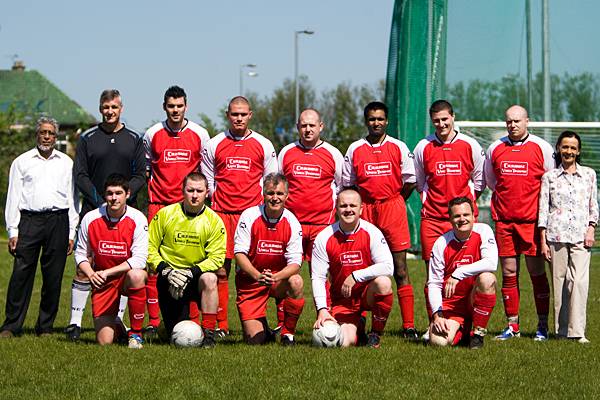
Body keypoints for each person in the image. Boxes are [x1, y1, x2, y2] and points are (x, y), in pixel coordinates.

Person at [66, 89, 146, 341]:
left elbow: (141, 175)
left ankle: (119, 319)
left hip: (124, 210)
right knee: (85, 266)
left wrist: (122, 198)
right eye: (105, 108)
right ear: (100, 109)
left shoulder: (134, 138)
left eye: (114, 107)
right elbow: (80, 174)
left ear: (121, 108)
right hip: (95, 208)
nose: (109, 111)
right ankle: (75, 323)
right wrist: (100, 200)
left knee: (122, 264)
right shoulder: (88, 137)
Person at [201, 96, 278, 336]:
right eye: (235, 114)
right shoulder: (214, 144)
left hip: (252, 216)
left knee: (253, 269)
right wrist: (219, 203)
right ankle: (221, 325)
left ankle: (262, 320)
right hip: (222, 214)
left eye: (243, 114)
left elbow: (270, 180)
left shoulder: (263, 144)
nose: (239, 118)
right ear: (227, 115)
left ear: (250, 115)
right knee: (221, 269)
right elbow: (208, 179)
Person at [342, 101, 418, 340]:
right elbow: (348, 184)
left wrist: (395, 201)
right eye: (372, 119)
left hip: (392, 208)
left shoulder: (398, 146)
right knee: (362, 267)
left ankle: (408, 326)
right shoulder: (355, 148)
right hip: (366, 210)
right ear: (366, 121)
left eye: (380, 119)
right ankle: (361, 318)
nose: (376, 123)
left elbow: (411, 180)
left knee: (400, 268)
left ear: (387, 121)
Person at [0, 117, 79, 338]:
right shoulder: (22, 162)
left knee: (53, 276)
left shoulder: (66, 163)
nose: (47, 137)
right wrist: (13, 231)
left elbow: (74, 199)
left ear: (56, 136)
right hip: (29, 221)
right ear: (37, 134)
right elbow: (13, 198)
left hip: (58, 220)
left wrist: (72, 232)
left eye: (51, 133)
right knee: (21, 275)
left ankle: (45, 326)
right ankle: (11, 325)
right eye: (43, 132)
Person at [143, 86, 210, 337]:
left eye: (179, 106)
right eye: (171, 106)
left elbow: (205, 171)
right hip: (159, 206)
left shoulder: (200, 134)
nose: (175, 110)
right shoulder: (152, 134)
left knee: (191, 261)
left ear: (186, 106)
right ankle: (152, 321)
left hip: (189, 208)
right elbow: (147, 168)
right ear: (164, 107)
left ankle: (194, 322)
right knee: (153, 264)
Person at [485, 105, 554, 341]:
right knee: (509, 273)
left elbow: (549, 181)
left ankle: (542, 325)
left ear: (527, 121)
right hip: (504, 222)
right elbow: (492, 181)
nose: (512, 125)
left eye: (517, 121)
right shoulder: (495, 148)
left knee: (536, 273)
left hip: (532, 223)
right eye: (508, 122)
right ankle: (512, 326)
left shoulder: (542, 148)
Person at [413, 100, 484, 320]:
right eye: (436, 121)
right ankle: (435, 321)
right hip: (433, 220)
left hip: (463, 220)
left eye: (445, 119)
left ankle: (468, 320)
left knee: (469, 272)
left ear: (453, 117)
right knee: (433, 275)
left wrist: (464, 209)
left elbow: (479, 181)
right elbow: (419, 182)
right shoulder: (423, 147)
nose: (441, 124)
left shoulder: (469, 145)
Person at [278, 108, 343, 329]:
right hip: (292, 226)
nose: (308, 129)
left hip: (322, 226)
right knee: (287, 273)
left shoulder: (333, 154)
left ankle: (326, 317)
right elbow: (278, 186)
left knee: (322, 274)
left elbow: (342, 186)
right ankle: (283, 323)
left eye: (312, 126)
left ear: (321, 127)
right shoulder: (286, 152)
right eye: (304, 125)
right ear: (298, 127)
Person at [147, 172, 225, 347]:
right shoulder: (165, 214)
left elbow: (217, 257)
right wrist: (165, 270)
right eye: (190, 190)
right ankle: (164, 327)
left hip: (196, 278)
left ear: (207, 192)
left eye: (199, 191)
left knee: (211, 278)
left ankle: (209, 335)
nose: (195, 195)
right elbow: (149, 247)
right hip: (170, 278)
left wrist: (191, 272)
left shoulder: (214, 221)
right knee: (174, 332)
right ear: (183, 191)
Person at [312, 188, 394, 348]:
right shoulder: (324, 237)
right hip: (342, 301)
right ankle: (359, 326)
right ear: (336, 208)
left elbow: (388, 267)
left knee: (384, 283)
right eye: (343, 206)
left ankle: (375, 334)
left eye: (352, 205)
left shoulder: (372, 232)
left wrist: (356, 276)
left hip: (365, 295)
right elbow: (318, 277)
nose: (348, 210)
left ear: (361, 209)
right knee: (344, 343)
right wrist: (322, 309)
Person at [74, 174, 148, 348]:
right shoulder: (90, 218)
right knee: (104, 342)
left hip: (125, 276)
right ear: (104, 195)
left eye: (118, 193)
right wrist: (92, 274)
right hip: (103, 281)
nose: (114, 198)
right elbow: (80, 254)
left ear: (127, 194)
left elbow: (139, 259)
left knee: (137, 275)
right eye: (109, 193)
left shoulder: (137, 218)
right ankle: (120, 328)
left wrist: (107, 272)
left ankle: (136, 335)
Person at [538, 131, 598, 343]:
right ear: (558, 149)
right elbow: (543, 210)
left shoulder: (589, 175)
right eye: (565, 147)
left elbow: (593, 205)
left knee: (579, 282)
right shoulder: (549, 177)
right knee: (560, 282)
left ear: (578, 151)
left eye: (573, 148)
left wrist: (591, 228)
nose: (569, 151)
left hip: (582, 237)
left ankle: (578, 331)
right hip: (556, 235)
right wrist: (543, 240)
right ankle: (562, 331)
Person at [234, 173, 304, 345]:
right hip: (251, 281)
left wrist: (275, 277)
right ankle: (265, 329)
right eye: (270, 193)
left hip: (276, 280)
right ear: (263, 194)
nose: (275, 198)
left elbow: (296, 263)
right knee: (255, 341)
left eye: (279, 194)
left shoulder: (292, 222)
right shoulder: (249, 216)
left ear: (287, 196)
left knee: (296, 281)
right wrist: (258, 276)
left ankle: (287, 334)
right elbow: (239, 254)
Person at [427, 197, 498, 349]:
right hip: (452, 306)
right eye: (457, 216)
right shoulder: (441, 243)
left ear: (473, 216)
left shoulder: (484, 231)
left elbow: (491, 262)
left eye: (466, 214)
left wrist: (458, 272)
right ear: (450, 219)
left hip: (474, 298)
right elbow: (433, 283)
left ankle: (478, 334)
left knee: (487, 278)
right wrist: (437, 315)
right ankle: (463, 330)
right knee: (439, 343)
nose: (462, 219)